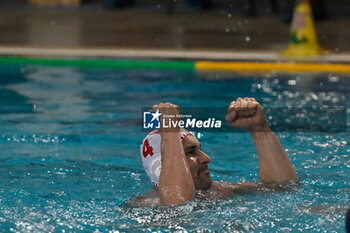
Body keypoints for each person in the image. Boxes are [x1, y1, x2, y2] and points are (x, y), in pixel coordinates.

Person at [133, 97, 298, 206]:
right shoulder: (146, 205)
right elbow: (178, 207)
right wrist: (169, 132)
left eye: (200, 149)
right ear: (159, 169)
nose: (206, 158)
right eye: (190, 152)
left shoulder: (217, 192)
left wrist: (259, 128)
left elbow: (284, 187)